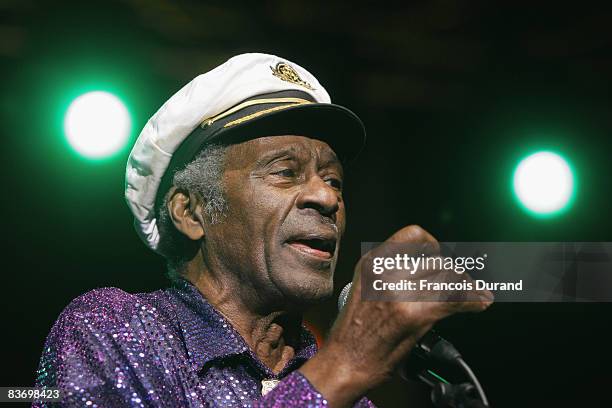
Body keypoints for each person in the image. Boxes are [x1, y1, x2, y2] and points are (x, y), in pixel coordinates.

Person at [34, 53, 492, 407]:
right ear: (191, 213)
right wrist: (347, 362)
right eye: (285, 172)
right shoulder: (115, 330)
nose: (328, 198)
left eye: (334, 180)